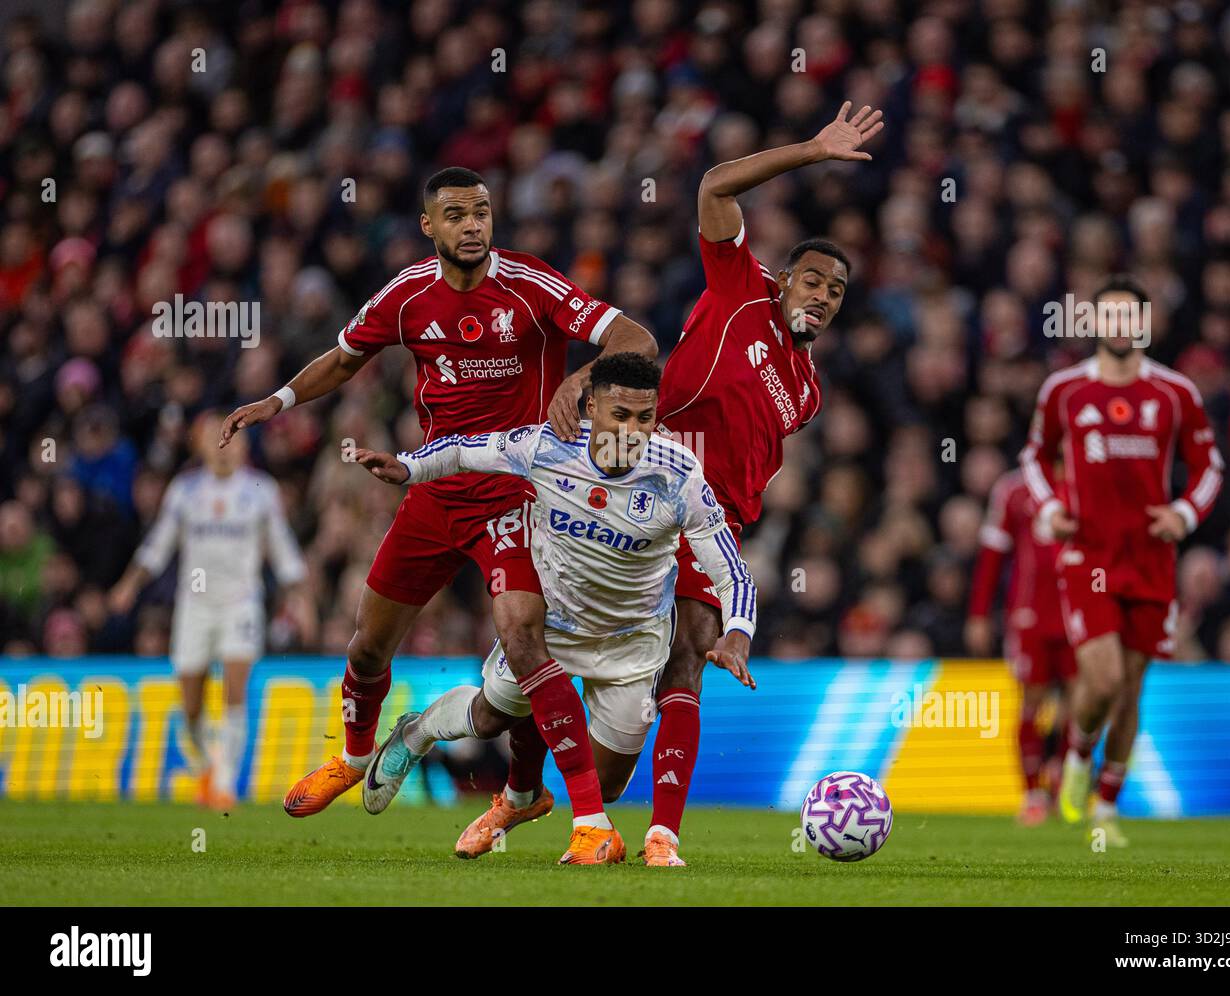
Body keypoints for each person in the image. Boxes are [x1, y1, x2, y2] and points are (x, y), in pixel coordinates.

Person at [449, 100, 884, 866]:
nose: (820, 296)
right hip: (624, 495)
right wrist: (813, 148)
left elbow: (745, 465)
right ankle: (520, 789)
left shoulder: (809, 391)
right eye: (812, 281)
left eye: (836, 292)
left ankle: (660, 837)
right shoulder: (742, 286)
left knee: (685, 667)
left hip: (703, 525)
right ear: (785, 280)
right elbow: (714, 185)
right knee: (515, 679)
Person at [219, 167, 656, 822]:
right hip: (434, 491)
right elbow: (343, 358)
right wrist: (276, 400)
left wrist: (582, 382)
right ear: (429, 226)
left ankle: (575, 814)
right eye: (456, 214)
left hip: (520, 497)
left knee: (524, 638)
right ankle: (356, 756)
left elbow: (637, 339)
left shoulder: (531, 284)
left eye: (481, 211)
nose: (473, 224)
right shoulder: (408, 296)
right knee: (368, 644)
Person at [351, 352, 756, 865]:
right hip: (556, 629)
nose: (632, 431)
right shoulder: (545, 447)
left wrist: (738, 632)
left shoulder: (678, 475)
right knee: (487, 717)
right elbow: (462, 450)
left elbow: (731, 571)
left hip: (632, 643)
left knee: (608, 784)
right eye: (619, 415)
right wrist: (409, 467)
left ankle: (539, 801)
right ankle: (420, 730)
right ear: (590, 407)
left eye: (645, 418)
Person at [1019, 275, 1223, 844]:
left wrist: (1183, 514)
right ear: (1093, 326)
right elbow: (1035, 458)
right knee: (1103, 676)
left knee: (1132, 688)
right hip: (1089, 554)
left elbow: (1210, 467)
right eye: (1106, 317)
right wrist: (1049, 509)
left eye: (1128, 317)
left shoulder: (1176, 393)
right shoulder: (1063, 390)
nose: (1118, 327)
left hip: (1151, 559)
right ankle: (1078, 754)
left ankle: (1106, 801)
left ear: (1143, 325)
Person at [108, 411, 313, 809]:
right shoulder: (184, 491)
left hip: (241, 604)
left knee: (235, 690)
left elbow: (282, 549)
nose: (224, 447)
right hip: (195, 605)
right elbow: (158, 545)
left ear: (244, 447)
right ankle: (205, 765)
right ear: (199, 446)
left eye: (231, 439)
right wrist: (128, 586)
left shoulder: (260, 491)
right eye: (214, 439)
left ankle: (224, 784)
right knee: (191, 705)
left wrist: (300, 598)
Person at [966, 465, 1074, 826]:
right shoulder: (1013, 488)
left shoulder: (1090, 479)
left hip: (1081, 610)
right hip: (1029, 614)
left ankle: (1061, 788)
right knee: (1033, 698)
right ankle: (1032, 794)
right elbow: (993, 554)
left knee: (1081, 701)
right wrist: (979, 613)